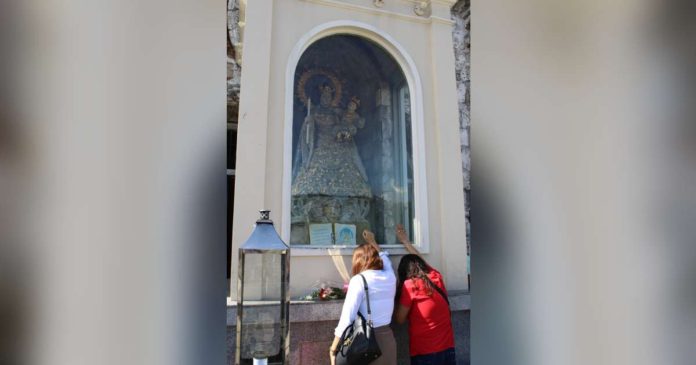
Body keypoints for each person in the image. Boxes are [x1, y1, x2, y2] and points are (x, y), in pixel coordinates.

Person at [330, 230, 397, 365]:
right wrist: (373, 243)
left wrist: (334, 347)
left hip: (367, 342)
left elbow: (347, 317)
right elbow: (385, 258)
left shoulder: (359, 280)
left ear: (358, 261)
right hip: (388, 339)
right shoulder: (390, 276)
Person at [393, 224, 456, 365]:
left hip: (425, 351)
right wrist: (405, 241)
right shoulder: (436, 277)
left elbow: (400, 319)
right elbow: (421, 260)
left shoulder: (410, 285)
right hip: (448, 348)